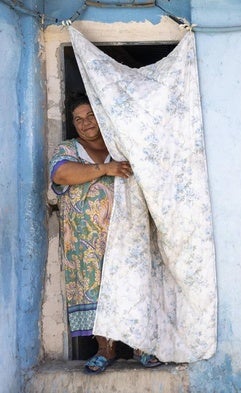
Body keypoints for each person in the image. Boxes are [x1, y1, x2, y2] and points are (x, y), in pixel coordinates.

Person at [49, 94, 162, 373]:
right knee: (94, 288)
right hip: (86, 242)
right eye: (78, 119)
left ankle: (142, 347)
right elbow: (61, 175)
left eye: (90, 116)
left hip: (127, 236)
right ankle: (105, 349)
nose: (85, 123)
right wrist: (104, 169)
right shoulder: (69, 149)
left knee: (132, 284)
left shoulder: (121, 146)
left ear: (100, 116)